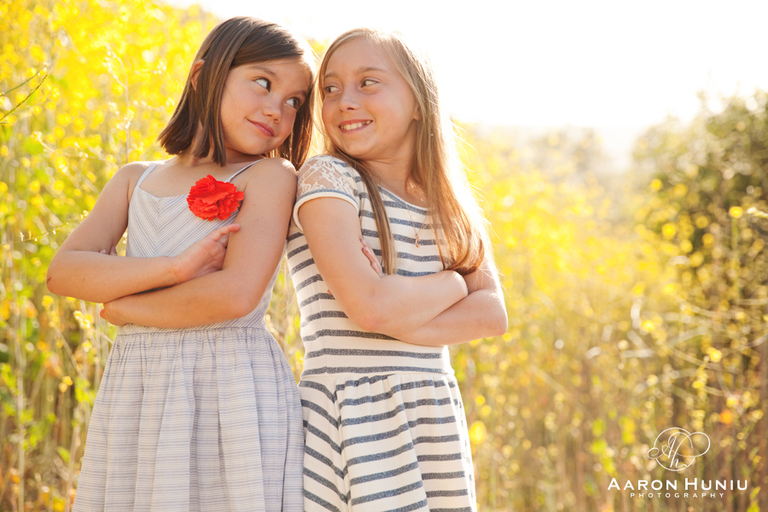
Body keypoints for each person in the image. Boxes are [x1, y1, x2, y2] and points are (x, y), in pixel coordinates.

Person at [46, 17, 314, 512]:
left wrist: (124, 307)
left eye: (295, 101)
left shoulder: (269, 176)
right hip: (141, 389)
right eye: (263, 82)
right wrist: (175, 268)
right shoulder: (135, 180)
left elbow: (233, 296)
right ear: (201, 76)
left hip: (231, 389)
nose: (278, 109)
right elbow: (64, 272)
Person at [285, 28, 508, 512]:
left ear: (417, 103)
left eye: (368, 82)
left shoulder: (448, 203)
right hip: (354, 416)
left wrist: (393, 306)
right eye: (330, 88)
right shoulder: (328, 180)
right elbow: (370, 308)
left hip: (431, 412)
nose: (345, 100)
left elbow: (492, 315)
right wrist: (453, 283)